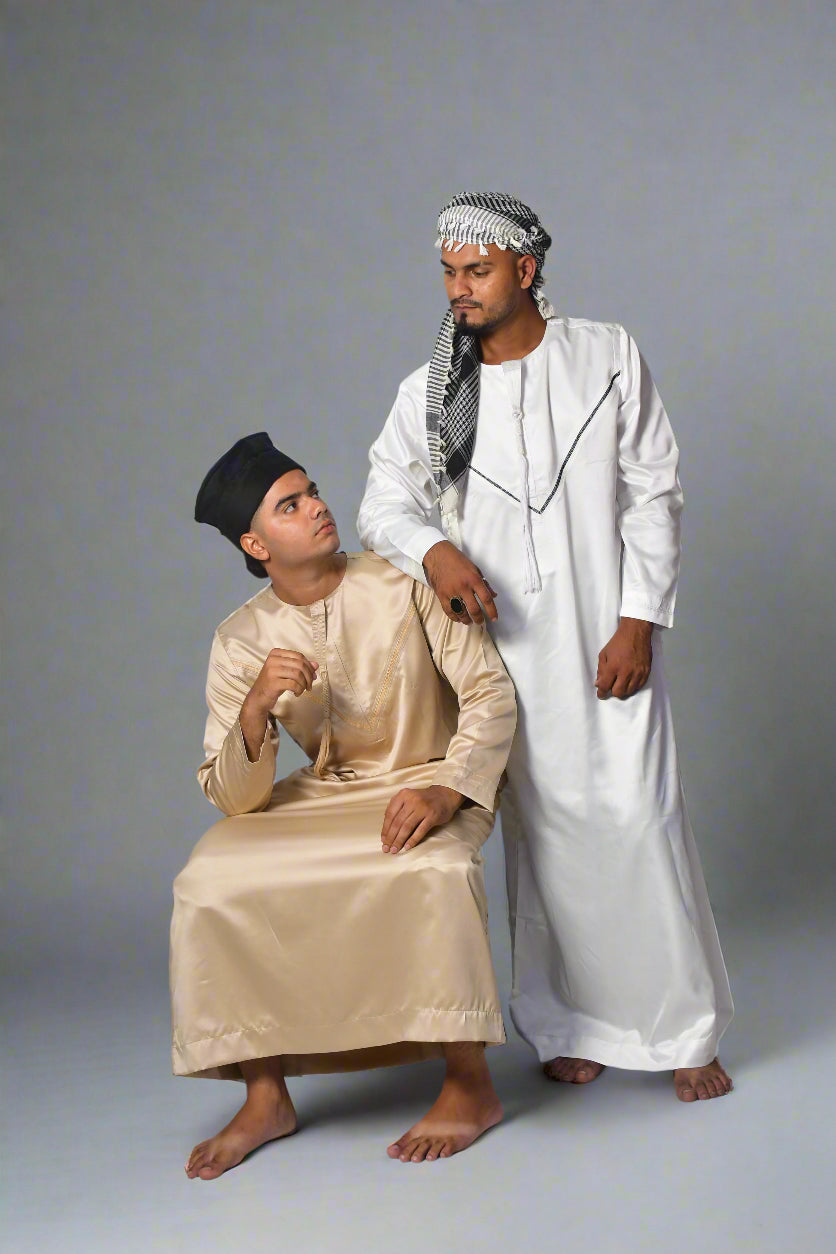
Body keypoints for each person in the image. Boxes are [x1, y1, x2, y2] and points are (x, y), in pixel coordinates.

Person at [357, 191, 734, 1102]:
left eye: (476, 271)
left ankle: (683, 1030)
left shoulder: (606, 356)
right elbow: (381, 503)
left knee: (640, 819)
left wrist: (639, 618)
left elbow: (655, 491)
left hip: (606, 633)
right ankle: (572, 1024)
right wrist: (437, 551)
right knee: (547, 837)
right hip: (503, 654)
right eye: (449, 273)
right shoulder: (433, 392)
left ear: (527, 270)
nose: (460, 289)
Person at [170, 432, 517, 1180]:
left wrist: (448, 787)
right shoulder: (240, 639)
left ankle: (469, 1083)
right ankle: (265, 1094)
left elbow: (489, 692)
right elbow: (234, 798)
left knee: (432, 874)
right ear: (256, 544)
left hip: (434, 779)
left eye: (313, 490)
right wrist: (258, 708)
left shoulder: (404, 581)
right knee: (211, 881)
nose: (318, 508)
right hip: (327, 795)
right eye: (290, 505)